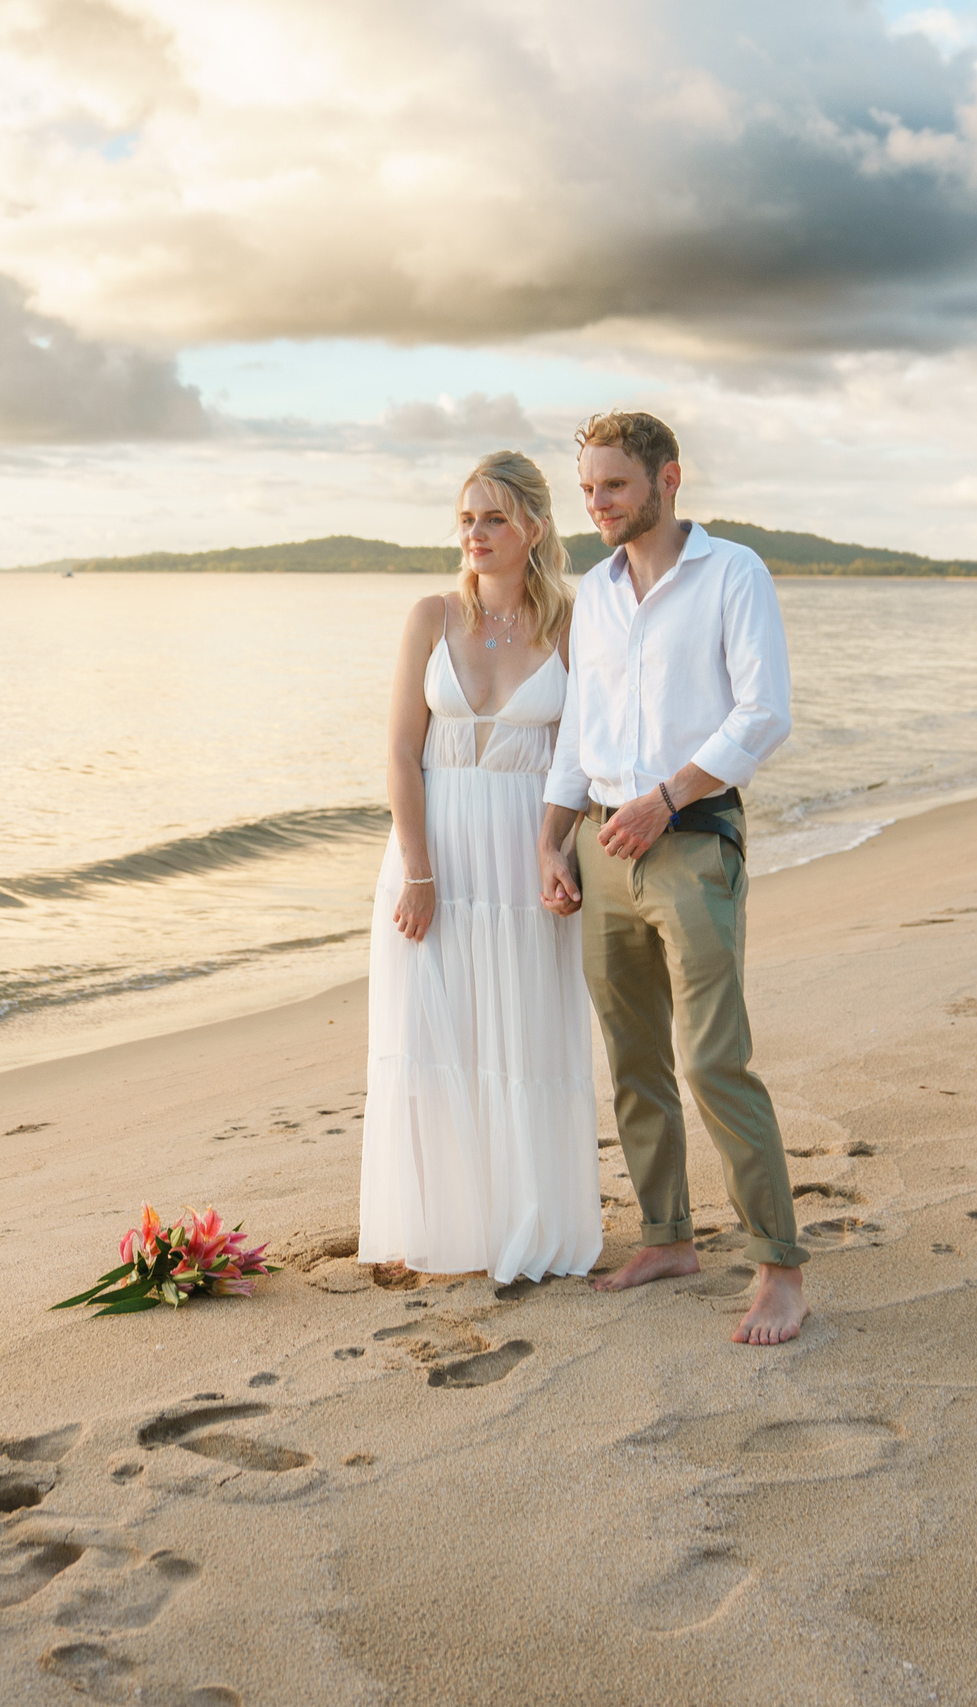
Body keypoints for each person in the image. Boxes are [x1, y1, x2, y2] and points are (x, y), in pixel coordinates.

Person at [537, 410, 808, 1345]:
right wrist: (551, 839)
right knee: (636, 1057)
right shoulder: (597, 595)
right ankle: (668, 1236)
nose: (597, 504)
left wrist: (665, 796)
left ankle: (779, 1264)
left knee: (712, 1058)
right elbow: (580, 727)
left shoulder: (733, 573)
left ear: (668, 478)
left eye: (613, 485)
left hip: (692, 838)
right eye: (587, 489)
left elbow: (763, 713)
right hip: (605, 848)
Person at [357, 451, 603, 1282]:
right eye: (466, 518)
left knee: (522, 1039)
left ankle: (525, 1224)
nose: (475, 533)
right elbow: (399, 751)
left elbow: (586, 754)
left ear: (534, 526)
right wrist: (417, 871)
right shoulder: (431, 616)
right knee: (433, 1038)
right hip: (434, 856)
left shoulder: (572, 623)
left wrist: (562, 847)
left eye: (493, 518)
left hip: (526, 860)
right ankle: (447, 1227)